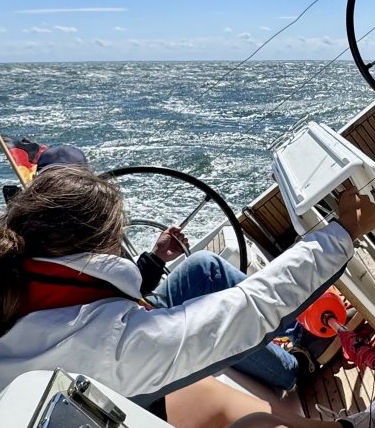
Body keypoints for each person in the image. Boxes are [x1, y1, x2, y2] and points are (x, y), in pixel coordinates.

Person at [0, 166, 375, 428]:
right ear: (99, 246)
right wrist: (341, 232)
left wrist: (149, 264)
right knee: (248, 421)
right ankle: (317, 386)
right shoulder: (106, 342)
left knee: (213, 385)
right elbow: (249, 309)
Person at [26, 143, 302, 391]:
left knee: (204, 267)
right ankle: (290, 369)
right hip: (113, 344)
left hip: (129, 311)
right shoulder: (37, 261)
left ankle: (295, 331)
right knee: (214, 321)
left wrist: (156, 258)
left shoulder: (59, 244)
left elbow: (118, 288)